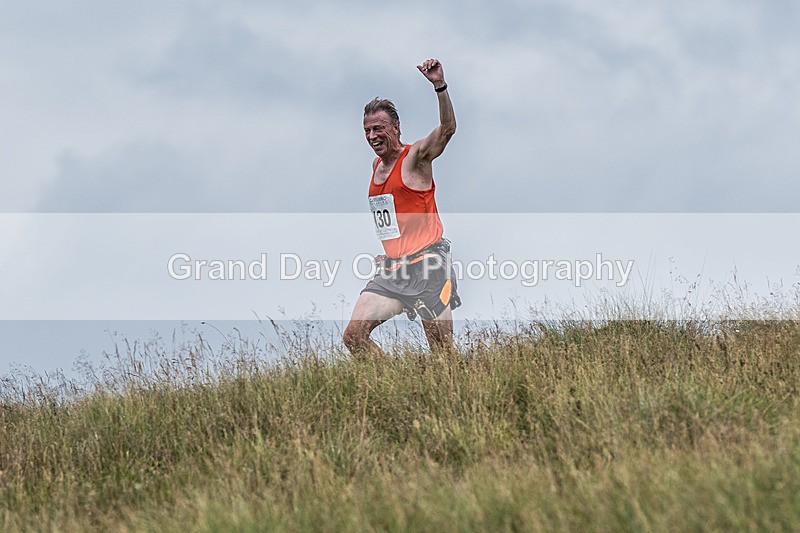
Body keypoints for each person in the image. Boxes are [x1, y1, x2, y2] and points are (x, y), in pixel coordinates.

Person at [343, 58, 461, 357]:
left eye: (378, 128)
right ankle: (395, 382)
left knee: (444, 355)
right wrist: (392, 250)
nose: (372, 136)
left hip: (429, 267)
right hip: (393, 270)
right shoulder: (376, 167)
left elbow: (447, 129)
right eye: (367, 130)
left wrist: (439, 86)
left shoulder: (416, 158)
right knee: (354, 337)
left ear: (395, 127)